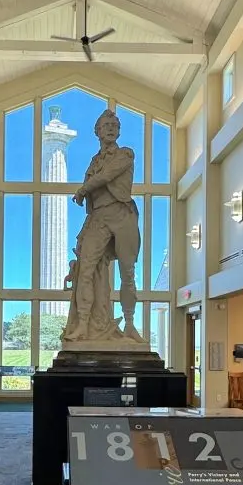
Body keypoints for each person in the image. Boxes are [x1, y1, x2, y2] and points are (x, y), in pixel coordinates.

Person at [62, 109, 145, 343]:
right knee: (85, 270)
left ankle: (129, 324)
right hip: (98, 217)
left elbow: (107, 176)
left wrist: (83, 189)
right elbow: (96, 179)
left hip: (122, 214)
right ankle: (84, 325)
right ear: (97, 131)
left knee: (127, 273)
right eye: (106, 125)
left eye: (114, 125)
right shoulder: (93, 161)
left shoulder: (126, 154)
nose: (111, 128)